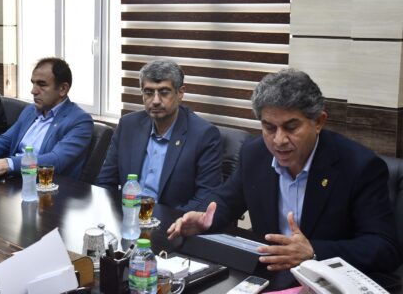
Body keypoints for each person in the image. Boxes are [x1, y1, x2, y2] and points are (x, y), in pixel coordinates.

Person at [167, 68, 402, 274]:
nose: (279, 140)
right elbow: (228, 201)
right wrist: (205, 220)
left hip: (325, 280)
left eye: (291, 127)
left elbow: (385, 248)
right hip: (269, 274)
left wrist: (314, 251)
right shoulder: (254, 153)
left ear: (318, 122)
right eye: (269, 128)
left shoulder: (359, 166)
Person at [97, 59, 222, 211]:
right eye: (149, 92)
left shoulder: (204, 135)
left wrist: (175, 222)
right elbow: (105, 182)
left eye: (164, 92)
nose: (155, 101)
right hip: (128, 216)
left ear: (180, 93)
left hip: (171, 221)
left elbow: (206, 198)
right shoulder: (128, 125)